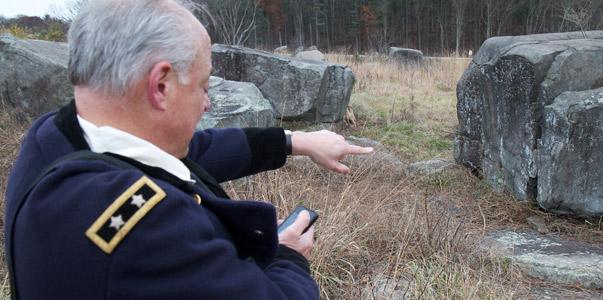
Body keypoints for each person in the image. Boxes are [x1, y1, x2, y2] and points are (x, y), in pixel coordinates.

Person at [3, 0, 372, 299]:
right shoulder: (146, 228)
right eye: (202, 86)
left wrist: (297, 142)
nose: (207, 103)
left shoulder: (55, 136)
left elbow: (187, 151)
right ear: (160, 85)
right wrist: (287, 256)